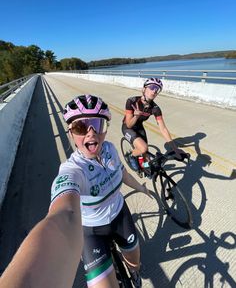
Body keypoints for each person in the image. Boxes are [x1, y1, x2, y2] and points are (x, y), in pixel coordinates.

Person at [0, 94, 150, 288]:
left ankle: (134, 273)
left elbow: (123, 174)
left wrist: (141, 187)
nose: (91, 133)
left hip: (119, 216)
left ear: (104, 130)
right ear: (70, 133)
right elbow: (66, 213)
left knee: (135, 263)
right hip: (90, 232)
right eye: (80, 127)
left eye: (98, 125)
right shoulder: (73, 170)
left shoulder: (110, 149)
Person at [122, 77, 184, 171]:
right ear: (144, 89)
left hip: (139, 127)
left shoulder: (155, 108)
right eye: (152, 87)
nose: (154, 91)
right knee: (143, 148)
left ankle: (146, 168)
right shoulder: (132, 101)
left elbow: (163, 129)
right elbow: (129, 124)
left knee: (146, 154)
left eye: (157, 89)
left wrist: (175, 149)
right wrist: (136, 116)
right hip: (127, 127)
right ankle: (130, 156)